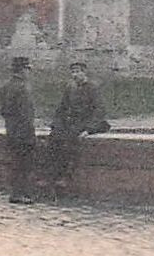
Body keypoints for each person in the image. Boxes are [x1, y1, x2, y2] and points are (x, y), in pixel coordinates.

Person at [41, 60, 110, 197]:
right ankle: (50, 176)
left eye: (78, 71)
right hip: (71, 122)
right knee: (54, 139)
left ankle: (65, 176)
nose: (75, 75)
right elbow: (61, 108)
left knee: (70, 142)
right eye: (72, 72)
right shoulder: (70, 88)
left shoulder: (93, 88)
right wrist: (56, 124)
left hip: (85, 123)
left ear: (84, 73)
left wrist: (89, 129)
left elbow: (99, 111)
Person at [0, 56, 37, 204]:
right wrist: (29, 131)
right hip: (24, 132)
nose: (29, 72)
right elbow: (26, 113)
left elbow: (4, 111)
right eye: (28, 69)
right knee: (25, 164)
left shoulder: (5, 87)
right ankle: (22, 194)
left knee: (15, 162)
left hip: (11, 129)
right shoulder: (23, 88)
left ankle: (15, 193)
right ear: (22, 70)